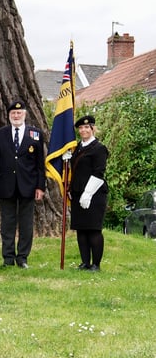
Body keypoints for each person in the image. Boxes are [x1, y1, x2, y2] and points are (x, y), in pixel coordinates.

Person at [0, 100, 45, 269]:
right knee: (7, 223)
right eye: (13, 113)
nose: (16, 116)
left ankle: (22, 258)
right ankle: (7, 257)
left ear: (25, 115)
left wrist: (40, 187)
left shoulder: (35, 134)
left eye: (19, 113)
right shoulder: (0, 134)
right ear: (9, 116)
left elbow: (40, 165)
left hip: (28, 185)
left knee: (26, 223)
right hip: (6, 185)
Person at [69, 115, 109, 272]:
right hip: (78, 193)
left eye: (87, 127)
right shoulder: (77, 148)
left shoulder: (99, 148)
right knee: (81, 229)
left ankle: (96, 265)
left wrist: (88, 193)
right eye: (80, 128)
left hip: (94, 194)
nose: (83, 130)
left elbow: (99, 172)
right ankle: (85, 262)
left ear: (93, 128)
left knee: (93, 229)